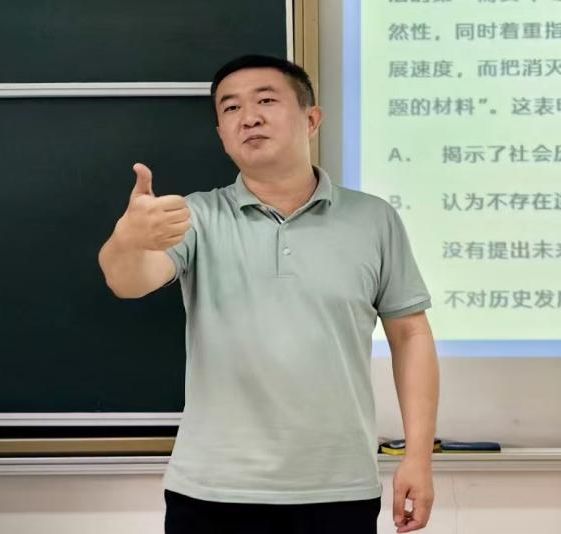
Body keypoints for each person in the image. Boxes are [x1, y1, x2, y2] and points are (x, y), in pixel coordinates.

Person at [98, 54, 439, 533]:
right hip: (212, 490)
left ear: (311, 119)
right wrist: (128, 239)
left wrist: (418, 457)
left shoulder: (373, 219)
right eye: (231, 108)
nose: (249, 117)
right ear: (221, 133)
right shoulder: (196, 216)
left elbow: (410, 335)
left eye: (266, 101)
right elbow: (127, 281)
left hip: (339, 487)